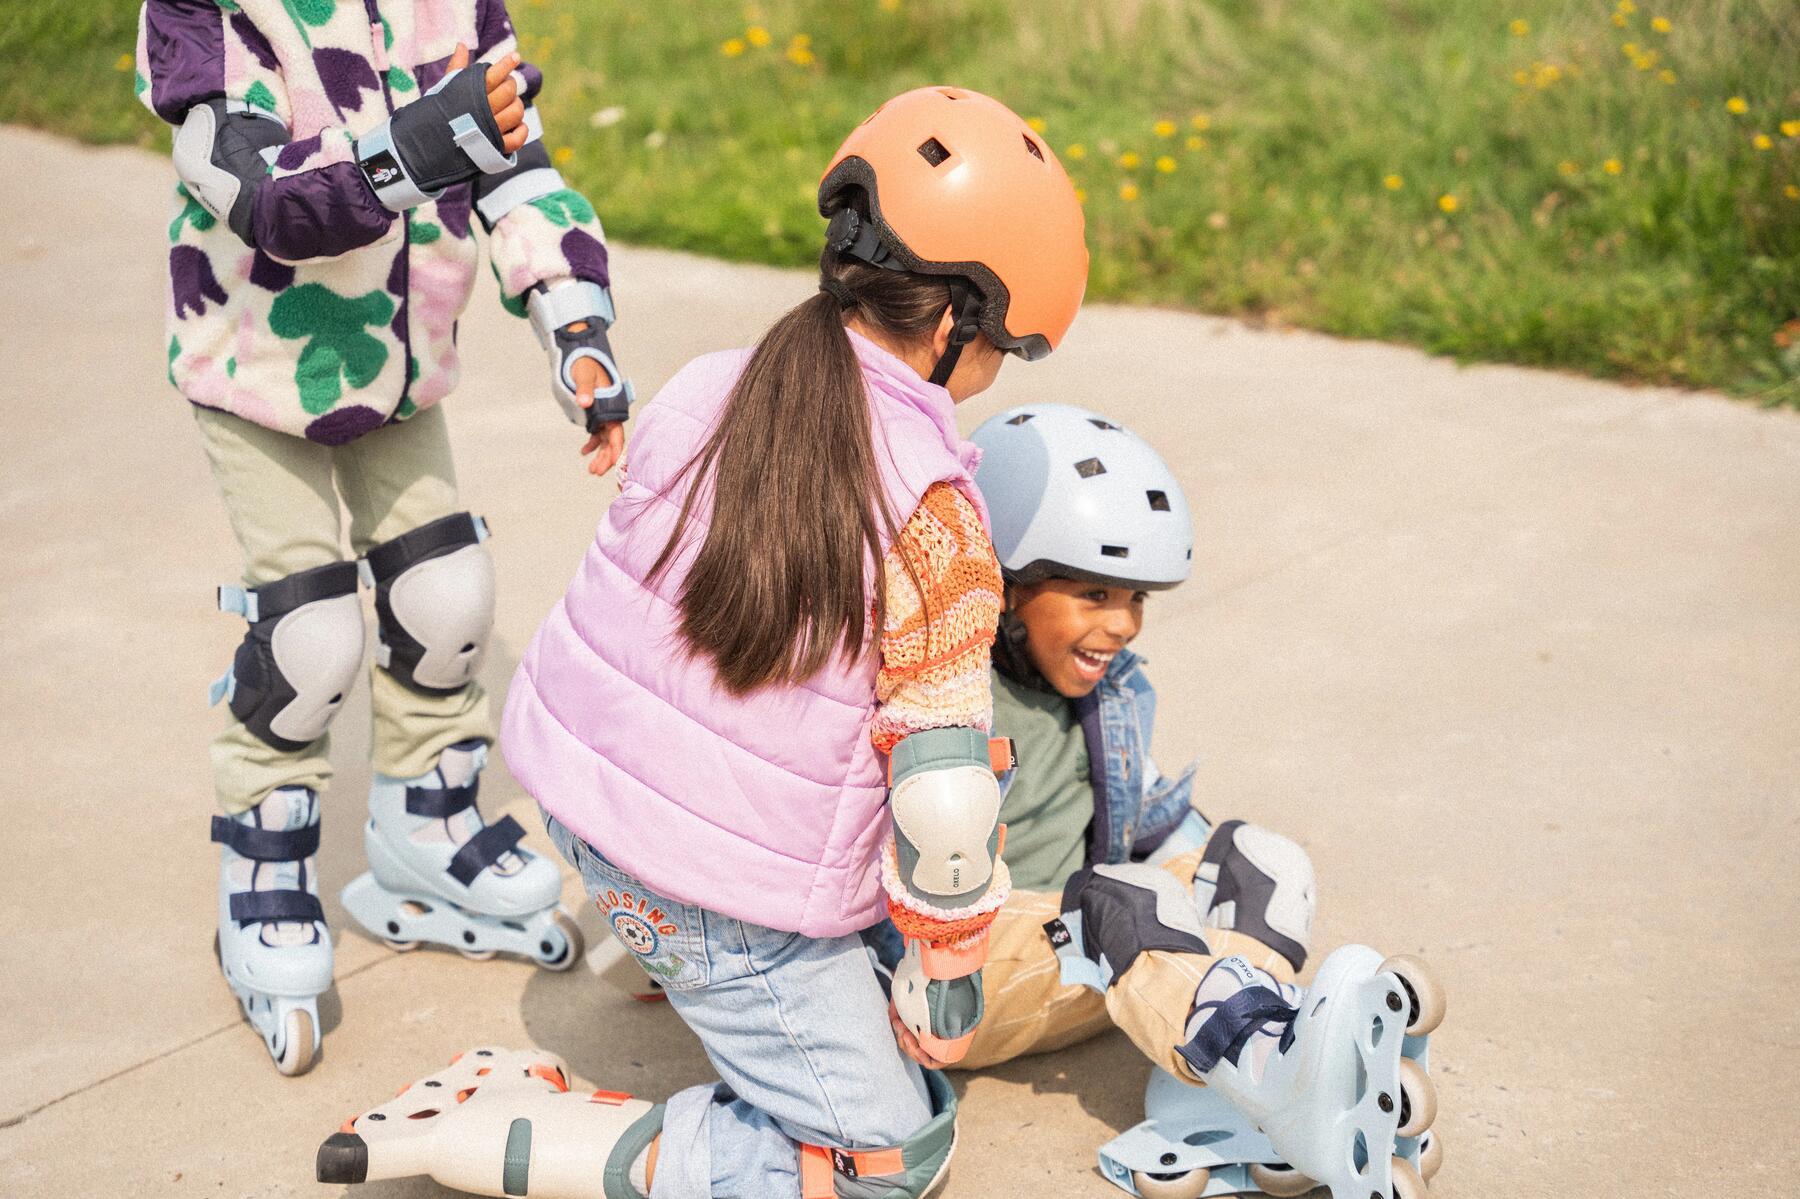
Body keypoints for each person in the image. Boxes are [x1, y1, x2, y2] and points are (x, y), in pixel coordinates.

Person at [319, 84, 1087, 1199]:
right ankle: (497, 1124)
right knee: (885, 1161)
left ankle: (673, 954)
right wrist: (951, 968)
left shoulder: (713, 383)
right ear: (959, 319)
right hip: (706, 893)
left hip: (583, 809)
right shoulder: (936, 518)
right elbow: (945, 801)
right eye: (1006, 346)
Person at [136, 0, 632, 1076]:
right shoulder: (199, 18)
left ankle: (426, 816)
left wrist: (572, 320)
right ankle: (262, 854)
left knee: (446, 595)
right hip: (253, 367)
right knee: (309, 632)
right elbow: (263, 196)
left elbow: (516, 168)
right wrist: (426, 138)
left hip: (398, 370)